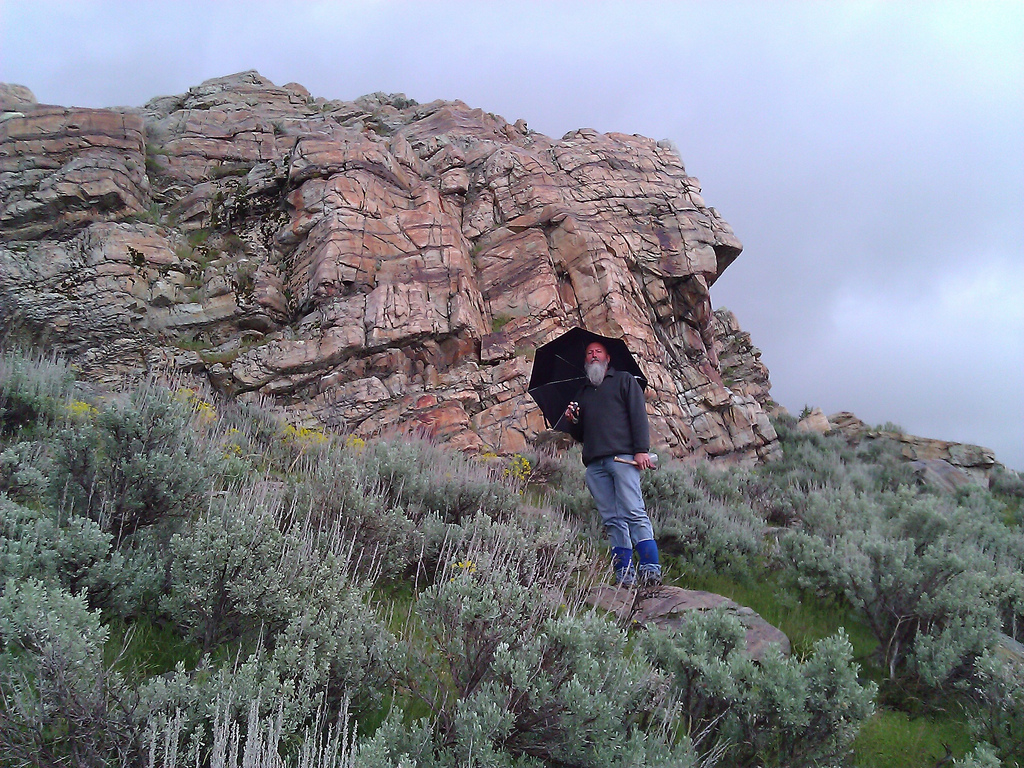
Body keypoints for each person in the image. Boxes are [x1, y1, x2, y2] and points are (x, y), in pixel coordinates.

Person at [564, 340, 661, 587]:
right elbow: (581, 436)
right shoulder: (582, 393)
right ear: (586, 361)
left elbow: (638, 415)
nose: (593, 355)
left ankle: (651, 570)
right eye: (589, 352)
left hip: (623, 459)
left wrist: (641, 451)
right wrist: (573, 422)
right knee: (612, 520)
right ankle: (624, 576)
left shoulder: (625, 380)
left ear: (607, 357)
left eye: (598, 351)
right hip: (595, 466)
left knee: (634, 512)